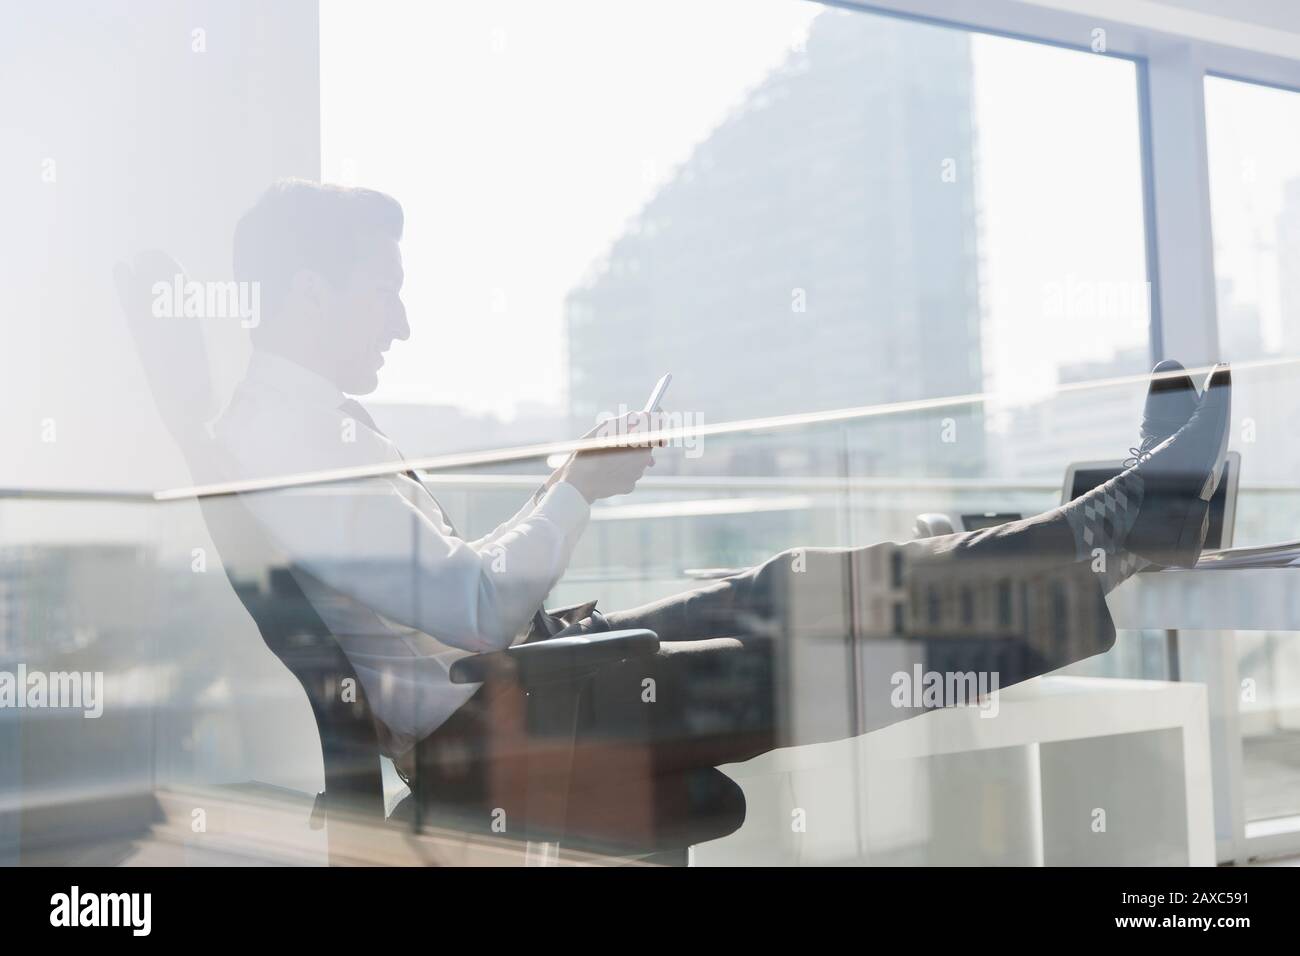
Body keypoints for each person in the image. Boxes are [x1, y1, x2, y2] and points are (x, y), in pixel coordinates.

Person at [213, 180, 1231, 805]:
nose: (400, 319)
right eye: (381, 287)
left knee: (796, 586)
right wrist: (577, 491)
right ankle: (1121, 525)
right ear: (309, 292)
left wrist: (573, 485)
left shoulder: (299, 424)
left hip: (527, 685)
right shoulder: (284, 439)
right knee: (841, 641)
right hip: (511, 722)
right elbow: (474, 607)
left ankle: (1106, 522)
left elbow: (453, 598)